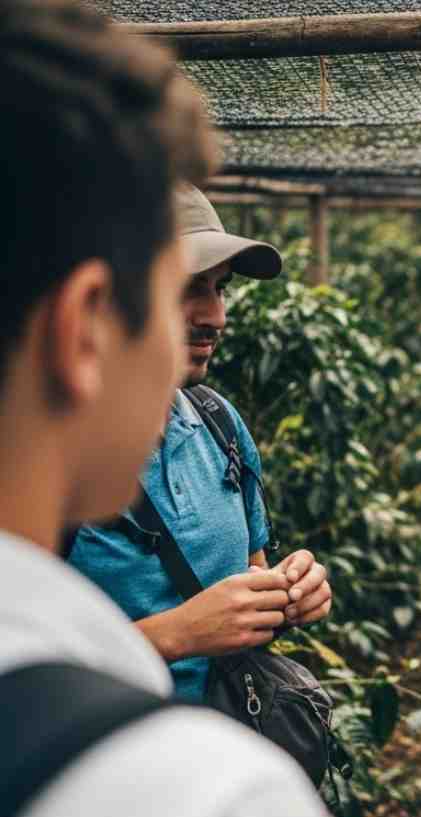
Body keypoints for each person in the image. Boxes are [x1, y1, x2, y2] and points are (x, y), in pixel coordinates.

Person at [0, 3, 372, 817]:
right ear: (87, 326)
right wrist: (177, 633)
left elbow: (240, 568)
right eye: (173, 291)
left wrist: (275, 589)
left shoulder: (215, 425)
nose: (202, 324)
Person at [65, 183, 333, 704]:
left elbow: (250, 572)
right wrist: (176, 634)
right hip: (95, 765)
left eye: (220, 288)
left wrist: (288, 592)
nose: (215, 317)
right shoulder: (41, 457)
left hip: (219, 744)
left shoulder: (217, 423)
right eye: (188, 287)